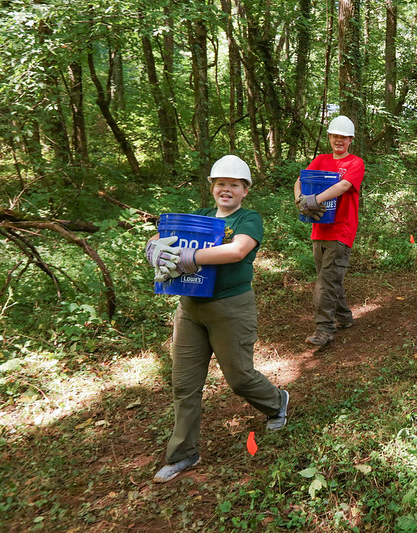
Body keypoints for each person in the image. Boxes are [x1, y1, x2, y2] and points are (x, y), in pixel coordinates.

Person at [145, 155, 290, 484]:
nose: (226, 189)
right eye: (220, 183)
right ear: (212, 187)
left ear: (244, 190)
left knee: (239, 377)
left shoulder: (248, 220)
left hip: (231, 307)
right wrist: (153, 248)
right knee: (184, 384)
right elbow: (164, 235)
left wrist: (188, 257)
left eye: (234, 185)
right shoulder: (203, 218)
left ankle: (276, 401)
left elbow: (236, 251)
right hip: (190, 308)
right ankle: (183, 453)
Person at [293, 116, 365, 347]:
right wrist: (299, 200)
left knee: (325, 282)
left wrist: (313, 200)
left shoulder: (355, 163)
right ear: (329, 138)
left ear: (350, 139)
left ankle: (324, 329)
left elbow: (343, 186)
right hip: (319, 230)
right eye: (335, 136)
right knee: (330, 279)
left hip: (341, 230)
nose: (339, 141)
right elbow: (300, 181)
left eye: (343, 137)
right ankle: (344, 317)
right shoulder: (321, 160)